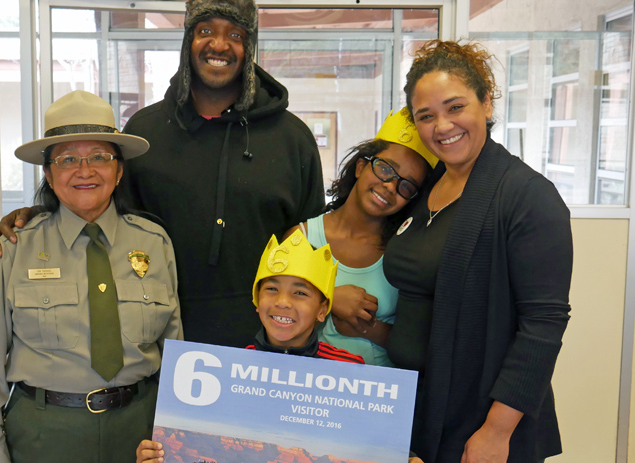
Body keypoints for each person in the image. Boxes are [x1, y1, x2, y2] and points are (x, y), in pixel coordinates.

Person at [0, 0, 324, 349]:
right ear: (187, 39)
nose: (219, 45)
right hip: (152, 339)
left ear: (249, 46)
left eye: (235, 35)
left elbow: (312, 240)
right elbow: (100, 206)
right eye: (205, 31)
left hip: (265, 341)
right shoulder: (146, 132)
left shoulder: (291, 139)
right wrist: (40, 214)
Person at [0, 90, 182, 463]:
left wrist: (172, 441)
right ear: (48, 172)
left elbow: (175, 359)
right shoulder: (14, 247)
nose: (85, 170)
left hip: (138, 436)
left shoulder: (155, 244)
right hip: (44, 437)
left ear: (119, 169)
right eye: (67, 159)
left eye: (100, 157)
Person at [383, 40, 573, 463]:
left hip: (482, 421)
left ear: (487, 103)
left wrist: (496, 430)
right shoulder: (428, 188)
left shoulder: (526, 196)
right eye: (426, 116)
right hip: (420, 411)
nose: (442, 126)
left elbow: (543, 325)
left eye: (455, 107)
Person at [136, 229, 363, 463]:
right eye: (272, 289)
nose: (283, 302)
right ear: (256, 300)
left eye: (300, 292)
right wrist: (156, 457)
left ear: (323, 309)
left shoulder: (350, 370)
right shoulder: (225, 374)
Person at [287, 108, 436, 366]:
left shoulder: (406, 252)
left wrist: (366, 327)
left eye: (406, 186)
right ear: (360, 167)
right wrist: (329, 298)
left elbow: (421, 344)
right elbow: (273, 310)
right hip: (307, 393)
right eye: (386, 169)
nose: (390, 186)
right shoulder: (303, 237)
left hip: (379, 395)